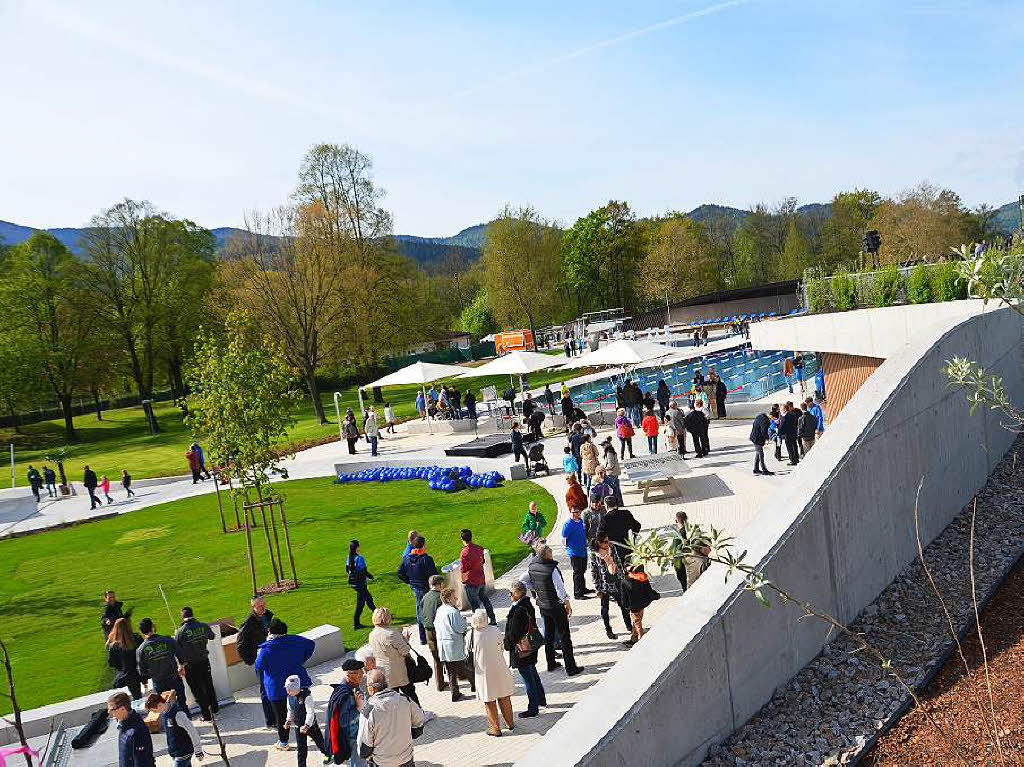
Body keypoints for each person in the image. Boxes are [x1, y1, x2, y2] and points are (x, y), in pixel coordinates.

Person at [255, 617, 316, 751]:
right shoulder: (295, 640)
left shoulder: (266, 649)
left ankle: (283, 742)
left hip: (276, 686)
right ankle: (312, 733)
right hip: (298, 682)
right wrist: (301, 659)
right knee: (305, 709)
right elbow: (311, 644)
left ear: (270, 631)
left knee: (281, 715)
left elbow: (258, 666)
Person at [524, 545, 584, 676]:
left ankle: (550, 663)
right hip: (556, 606)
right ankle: (571, 667)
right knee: (564, 636)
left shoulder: (531, 567)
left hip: (543, 606)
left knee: (549, 635)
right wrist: (566, 602)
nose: (552, 556)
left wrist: (535, 592)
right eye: (551, 553)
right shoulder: (552, 569)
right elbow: (559, 588)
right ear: (547, 555)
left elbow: (524, 582)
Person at [356, 668, 425, 767]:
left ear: (371, 689)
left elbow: (364, 745)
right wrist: (410, 734)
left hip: (382, 762)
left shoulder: (369, 711)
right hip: (406, 758)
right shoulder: (405, 699)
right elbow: (419, 721)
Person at [466, 609, 515, 736]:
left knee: (489, 700)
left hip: (483, 672)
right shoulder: (494, 630)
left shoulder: (470, 635)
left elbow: (466, 651)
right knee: (504, 696)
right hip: (499, 667)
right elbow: (502, 647)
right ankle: (510, 723)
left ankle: (495, 728)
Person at [503, 581, 546, 717]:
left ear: (519, 593)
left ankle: (533, 708)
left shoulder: (518, 610)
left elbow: (514, 632)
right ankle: (540, 699)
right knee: (532, 672)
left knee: (528, 678)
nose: (509, 595)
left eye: (511, 592)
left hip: (522, 649)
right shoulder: (526, 604)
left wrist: (506, 644)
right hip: (530, 646)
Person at [236, 595, 277, 729]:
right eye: (260, 606)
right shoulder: (249, 622)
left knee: (276, 686)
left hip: (272, 656)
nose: (263, 607)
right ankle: (271, 721)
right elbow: (240, 644)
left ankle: (279, 715)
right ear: (253, 607)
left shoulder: (269, 615)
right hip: (261, 659)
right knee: (265, 690)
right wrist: (251, 660)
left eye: (264, 604)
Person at [367, 607, 420, 705]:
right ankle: (418, 714)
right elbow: (405, 651)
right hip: (398, 670)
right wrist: (405, 641)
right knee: (410, 694)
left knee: (392, 698)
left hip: (383, 671)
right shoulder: (391, 633)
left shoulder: (372, 634)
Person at [136, 618, 188, 715]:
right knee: (181, 702)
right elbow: (180, 654)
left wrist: (153, 673)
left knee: (164, 707)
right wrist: (181, 666)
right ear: (153, 627)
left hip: (158, 681)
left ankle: (171, 725)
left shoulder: (141, 649)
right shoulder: (167, 640)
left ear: (142, 632)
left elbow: (141, 671)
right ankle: (187, 720)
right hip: (173, 677)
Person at [174, 607, 218, 720]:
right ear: (192, 614)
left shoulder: (180, 631)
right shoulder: (202, 626)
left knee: (197, 690)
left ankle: (206, 715)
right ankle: (214, 708)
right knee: (208, 684)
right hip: (204, 661)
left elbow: (177, 649)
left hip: (191, 665)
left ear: (182, 616)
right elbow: (212, 636)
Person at [434, 588, 475, 701]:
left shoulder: (440, 610)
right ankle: (474, 684)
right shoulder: (453, 611)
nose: (456, 598)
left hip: (443, 644)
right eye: (453, 596)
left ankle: (455, 692)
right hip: (453, 644)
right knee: (464, 667)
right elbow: (460, 628)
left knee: (451, 671)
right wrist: (465, 623)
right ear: (447, 599)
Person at [324, 659, 366, 767]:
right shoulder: (346, 695)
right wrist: (358, 707)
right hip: (353, 737)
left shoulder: (350, 688)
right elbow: (343, 722)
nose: (362, 674)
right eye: (360, 672)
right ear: (350, 674)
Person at [144, 690, 204, 766]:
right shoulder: (165, 713)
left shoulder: (178, 714)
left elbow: (192, 731)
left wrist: (198, 751)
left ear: (159, 705)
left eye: (153, 710)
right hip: (176, 752)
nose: (153, 713)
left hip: (183, 752)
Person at [397, 535, 438, 645]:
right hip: (427, 588)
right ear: (423, 545)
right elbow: (434, 575)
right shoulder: (426, 559)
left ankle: (423, 638)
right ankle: (434, 634)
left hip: (416, 588)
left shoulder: (406, 559)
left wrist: (409, 581)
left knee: (420, 612)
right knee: (432, 610)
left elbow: (400, 573)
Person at [591, 531, 631, 640]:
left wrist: (623, 576)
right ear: (599, 543)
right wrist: (597, 588)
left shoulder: (611, 548)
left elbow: (618, 561)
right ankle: (608, 630)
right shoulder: (594, 554)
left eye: (608, 541)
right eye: (605, 542)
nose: (607, 543)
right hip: (604, 586)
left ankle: (629, 625)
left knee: (623, 605)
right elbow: (594, 571)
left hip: (617, 582)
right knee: (605, 609)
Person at [284, 674, 327, 766]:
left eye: (289, 689)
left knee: (320, 742)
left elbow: (310, 712)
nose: (287, 691)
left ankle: (328, 754)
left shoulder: (307, 697)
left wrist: (307, 725)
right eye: (286, 689)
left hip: (310, 725)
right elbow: (290, 710)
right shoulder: (290, 697)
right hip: (298, 726)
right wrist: (288, 720)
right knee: (301, 749)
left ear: (295, 688)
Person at [108, 691, 155, 767]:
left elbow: (142, 761)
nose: (109, 712)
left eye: (111, 709)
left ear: (122, 709)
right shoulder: (124, 724)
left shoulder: (137, 731)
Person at [418, 575, 448, 692]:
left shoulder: (424, 597)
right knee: (447, 657)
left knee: (436, 659)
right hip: (439, 631)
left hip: (428, 631)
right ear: (440, 584)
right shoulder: (440, 598)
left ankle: (440, 684)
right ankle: (453, 681)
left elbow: (420, 614)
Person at [459, 529, 496, 624]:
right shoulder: (480, 548)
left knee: (475, 604)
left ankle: (480, 623)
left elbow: (463, 569)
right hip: (481, 579)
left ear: (462, 539)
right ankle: (492, 619)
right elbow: (483, 561)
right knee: (485, 599)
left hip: (471, 581)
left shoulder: (464, 552)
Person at [622, 564, 660, 646]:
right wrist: (656, 596)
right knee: (637, 622)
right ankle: (633, 638)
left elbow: (624, 596)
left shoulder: (625, 581)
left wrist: (625, 606)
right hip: (643, 604)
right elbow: (649, 590)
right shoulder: (643, 578)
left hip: (633, 607)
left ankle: (641, 641)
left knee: (637, 624)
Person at [107, 617, 145, 699]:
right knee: (137, 696)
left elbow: (112, 663)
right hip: (137, 673)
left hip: (124, 675)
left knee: (133, 696)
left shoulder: (113, 646)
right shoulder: (136, 639)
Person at [561, 506, 591, 600]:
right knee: (577, 573)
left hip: (583, 550)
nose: (574, 514)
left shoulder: (581, 521)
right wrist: (569, 548)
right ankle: (578, 593)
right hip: (575, 552)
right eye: (573, 512)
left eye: (576, 512)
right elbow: (563, 538)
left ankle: (583, 588)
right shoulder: (568, 524)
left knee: (582, 571)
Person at [347, 540, 376, 630]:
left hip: (354, 583)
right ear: (357, 547)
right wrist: (371, 577)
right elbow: (363, 571)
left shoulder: (349, 557)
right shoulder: (360, 558)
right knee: (362, 602)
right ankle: (357, 623)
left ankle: (379, 615)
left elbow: (347, 570)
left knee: (367, 600)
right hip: (360, 583)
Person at [749, 408, 775, 476]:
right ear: (771, 417)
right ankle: (764, 470)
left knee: (758, 453)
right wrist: (767, 438)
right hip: (757, 439)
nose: (773, 420)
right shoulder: (765, 421)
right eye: (774, 419)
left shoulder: (761, 416)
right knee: (761, 454)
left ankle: (756, 469)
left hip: (754, 437)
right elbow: (764, 432)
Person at [600, 439, 623, 506]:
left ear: (607, 444)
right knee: (617, 489)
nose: (602, 447)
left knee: (613, 489)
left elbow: (611, 464)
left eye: (603, 445)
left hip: (611, 473)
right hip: (614, 472)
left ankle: (616, 503)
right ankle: (619, 503)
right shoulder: (610, 450)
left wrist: (605, 469)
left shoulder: (609, 452)